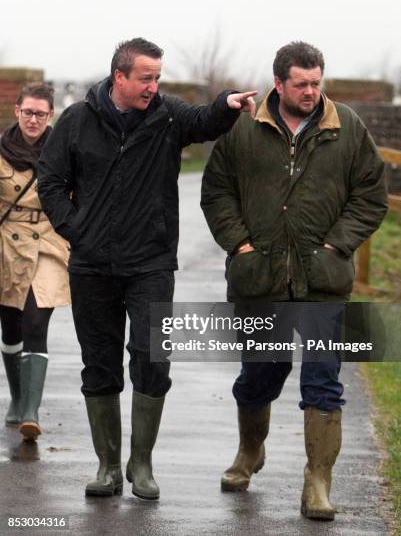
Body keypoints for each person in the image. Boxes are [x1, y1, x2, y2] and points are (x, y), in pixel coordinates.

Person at [37, 37, 256, 499]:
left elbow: (204, 121)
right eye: (145, 78)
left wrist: (227, 104)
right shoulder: (77, 121)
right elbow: (51, 179)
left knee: (152, 358)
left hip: (151, 261)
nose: (153, 86)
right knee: (99, 364)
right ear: (119, 77)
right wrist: (73, 227)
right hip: (92, 263)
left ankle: (141, 464)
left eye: (158, 77)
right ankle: (107, 467)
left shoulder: (166, 116)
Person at [201, 41, 387, 521]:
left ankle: (318, 481)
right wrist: (240, 245)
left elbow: (371, 195)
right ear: (278, 83)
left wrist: (336, 246)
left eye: (316, 82)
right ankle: (249, 451)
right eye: (301, 83)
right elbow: (217, 191)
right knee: (260, 374)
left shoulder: (346, 126)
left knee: (324, 379)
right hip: (259, 278)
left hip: (323, 279)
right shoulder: (243, 127)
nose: (311, 91)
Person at [0, 82, 70, 442]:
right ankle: (16, 397)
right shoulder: (0, 149)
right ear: (17, 111)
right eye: (27, 111)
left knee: (35, 320)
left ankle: (31, 411)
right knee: (10, 326)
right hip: (6, 246)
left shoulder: (62, 150)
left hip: (48, 242)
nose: (33, 119)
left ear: (50, 115)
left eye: (40, 113)